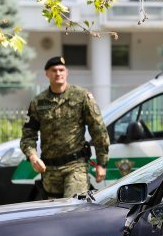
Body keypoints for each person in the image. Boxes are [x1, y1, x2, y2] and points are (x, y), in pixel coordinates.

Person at [20, 56, 110, 199]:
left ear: (66, 72)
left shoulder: (82, 97)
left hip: (76, 166)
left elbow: (98, 129)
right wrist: (32, 156)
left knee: (72, 209)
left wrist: (102, 163)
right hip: (49, 170)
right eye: (54, 70)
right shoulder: (38, 102)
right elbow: (28, 135)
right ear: (47, 74)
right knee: (54, 214)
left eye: (61, 70)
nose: (58, 73)